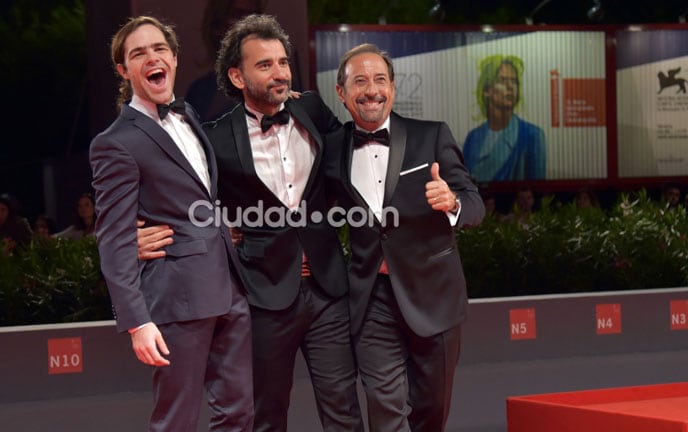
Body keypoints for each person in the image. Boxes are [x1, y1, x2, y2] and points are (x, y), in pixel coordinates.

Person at [139, 14, 363, 431]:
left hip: (329, 290)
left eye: (283, 62)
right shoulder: (215, 138)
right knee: (266, 414)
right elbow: (186, 197)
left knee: (344, 411)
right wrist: (139, 231)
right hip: (263, 296)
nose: (279, 72)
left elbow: (353, 157)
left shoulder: (311, 107)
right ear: (237, 77)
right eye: (265, 65)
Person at [88, 16, 253, 432]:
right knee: (176, 420)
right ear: (123, 70)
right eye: (138, 53)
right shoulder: (115, 142)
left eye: (159, 48)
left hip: (228, 286)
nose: (152, 57)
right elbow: (113, 238)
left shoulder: (189, 115)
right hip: (177, 299)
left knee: (238, 414)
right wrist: (137, 322)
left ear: (174, 58)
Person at [325, 43, 485, 431]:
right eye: (359, 81)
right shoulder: (331, 149)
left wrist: (451, 202)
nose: (372, 90)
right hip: (371, 297)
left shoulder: (431, 136)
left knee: (432, 409)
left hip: (434, 295)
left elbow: (474, 204)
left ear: (393, 90)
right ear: (342, 93)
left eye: (380, 80)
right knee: (384, 403)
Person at [462, 54, 546, 182]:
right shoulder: (473, 138)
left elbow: (536, 192)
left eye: (514, 81)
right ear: (487, 90)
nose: (510, 87)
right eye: (502, 80)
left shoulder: (532, 135)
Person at [185, 0, 266, 122]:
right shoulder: (199, 93)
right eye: (239, 15)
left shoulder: (278, 81)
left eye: (254, 16)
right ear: (217, 26)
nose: (250, 25)